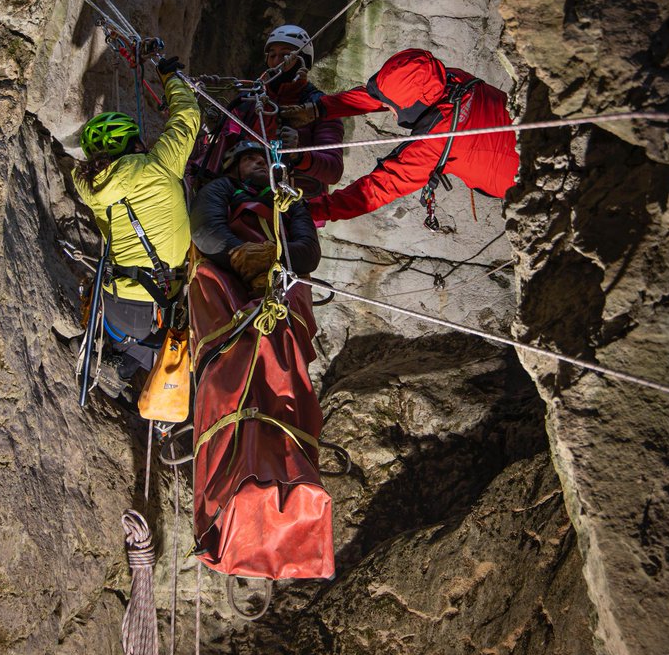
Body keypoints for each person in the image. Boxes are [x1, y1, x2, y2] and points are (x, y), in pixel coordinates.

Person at [187, 139, 334, 580]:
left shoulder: (288, 199)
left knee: (277, 352)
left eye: (263, 160)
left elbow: (307, 250)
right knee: (243, 352)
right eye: (251, 159)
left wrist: (275, 260)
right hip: (226, 275)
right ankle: (259, 477)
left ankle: (266, 476)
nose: (258, 164)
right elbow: (205, 230)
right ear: (235, 166)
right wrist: (240, 255)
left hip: (279, 281)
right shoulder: (221, 190)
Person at [73, 57, 200, 395]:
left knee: (135, 340)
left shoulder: (93, 189)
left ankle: (115, 357)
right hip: (153, 303)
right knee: (165, 343)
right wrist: (170, 78)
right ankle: (125, 370)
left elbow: (108, 232)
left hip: (116, 301)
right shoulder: (158, 165)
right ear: (135, 144)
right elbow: (187, 117)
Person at [282, 47, 519, 224]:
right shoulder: (453, 79)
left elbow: (376, 189)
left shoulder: (432, 143)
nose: (388, 109)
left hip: (522, 185)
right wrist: (319, 108)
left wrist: (308, 210)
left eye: (392, 107)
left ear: (411, 108)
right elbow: (385, 96)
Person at [193, 25, 344, 198]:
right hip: (243, 195)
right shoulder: (249, 101)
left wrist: (298, 155)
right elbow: (228, 140)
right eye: (272, 55)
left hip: (295, 202)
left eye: (286, 55)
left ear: (303, 60)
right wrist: (216, 131)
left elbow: (333, 171)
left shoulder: (320, 108)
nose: (277, 61)